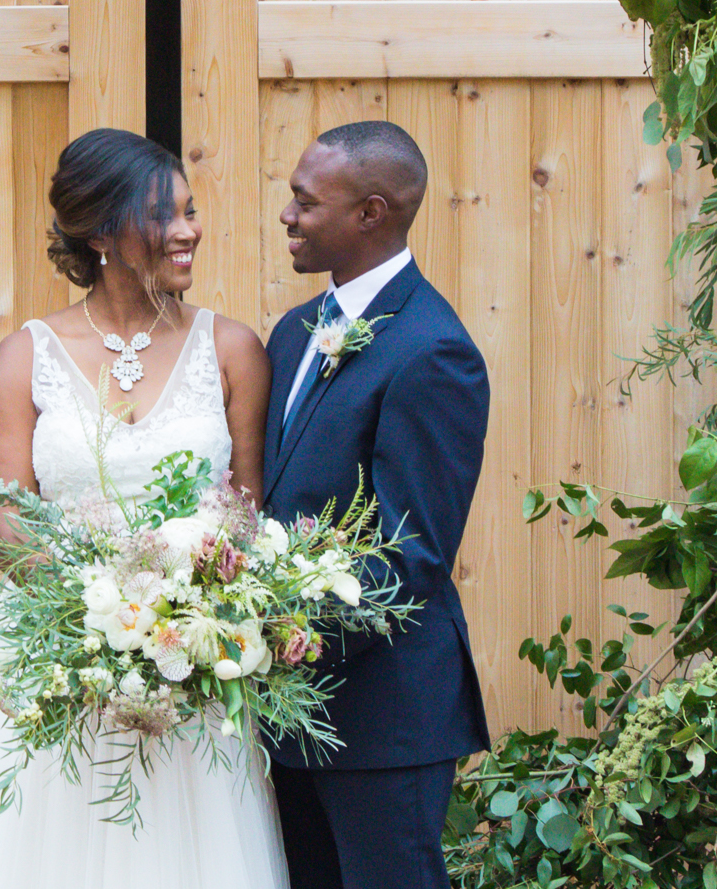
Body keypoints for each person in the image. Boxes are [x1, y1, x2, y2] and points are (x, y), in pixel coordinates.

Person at [0, 128, 288, 888]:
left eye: (191, 211)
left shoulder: (232, 349)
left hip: (193, 674)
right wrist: (106, 633)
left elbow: (247, 516)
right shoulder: (23, 357)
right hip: (61, 676)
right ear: (101, 230)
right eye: (165, 214)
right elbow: (9, 530)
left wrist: (178, 625)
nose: (189, 229)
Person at [263, 121, 492, 889]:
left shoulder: (434, 349)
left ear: (371, 212)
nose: (288, 215)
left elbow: (410, 552)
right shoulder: (294, 335)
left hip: (385, 717)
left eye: (304, 201)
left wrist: (289, 634)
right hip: (292, 716)